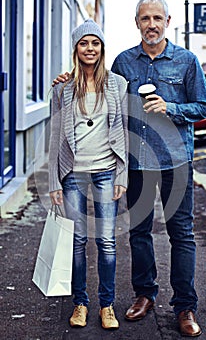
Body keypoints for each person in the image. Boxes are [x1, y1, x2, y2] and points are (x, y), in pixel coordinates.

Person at [52, 0, 206, 337]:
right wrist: (68, 79)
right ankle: (145, 295)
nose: (151, 24)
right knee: (139, 234)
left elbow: (203, 106)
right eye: (145, 19)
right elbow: (97, 85)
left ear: (167, 22)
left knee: (181, 234)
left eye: (157, 18)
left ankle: (186, 306)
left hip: (176, 161)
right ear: (137, 23)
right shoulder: (124, 62)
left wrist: (171, 107)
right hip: (138, 162)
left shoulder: (186, 61)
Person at [49, 19, 128, 330]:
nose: (90, 48)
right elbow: (55, 135)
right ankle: (80, 303)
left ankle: (107, 306)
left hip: (107, 171)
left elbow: (122, 131)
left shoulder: (118, 85)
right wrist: (54, 180)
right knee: (78, 241)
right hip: (73, 173)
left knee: (107, 241)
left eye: (95, 43)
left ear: (102, 48)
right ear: (76, 48)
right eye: (84, 43)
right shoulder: (62, 89)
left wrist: (122, 175)